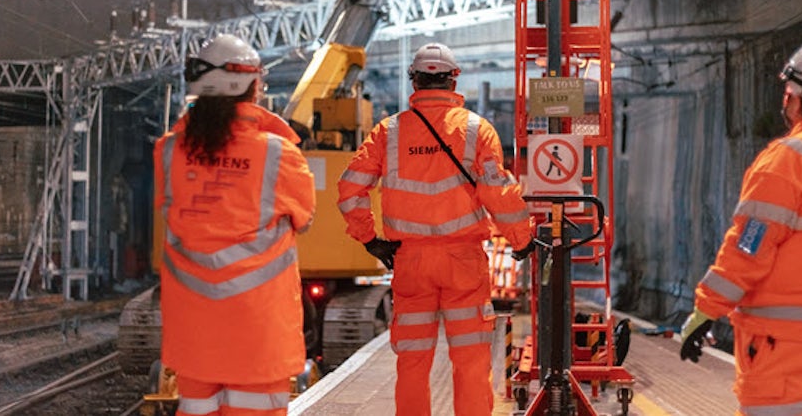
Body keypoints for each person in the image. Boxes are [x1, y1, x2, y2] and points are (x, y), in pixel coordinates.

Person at [337, 42, 536, 416]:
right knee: (471, 363)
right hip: (463, 262)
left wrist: (369, 239)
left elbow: (350, 189)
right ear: (453, 79)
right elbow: (499, 193)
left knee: (412, 363)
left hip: (410, 262)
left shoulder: (388, 132)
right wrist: (521, 240)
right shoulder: (477, 130)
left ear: (415, 80)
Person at [679, 36, 802, 415]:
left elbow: (748, 248)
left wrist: (705, 311)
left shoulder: (790, 161)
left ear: (798, 95)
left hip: (791, 339)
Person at [154, 34, 316, 416]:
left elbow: (170, 209)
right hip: (257, 331)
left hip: (192, 332)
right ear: (252, 86)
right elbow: (304, 218)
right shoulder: (279, 154)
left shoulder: (168, 151)